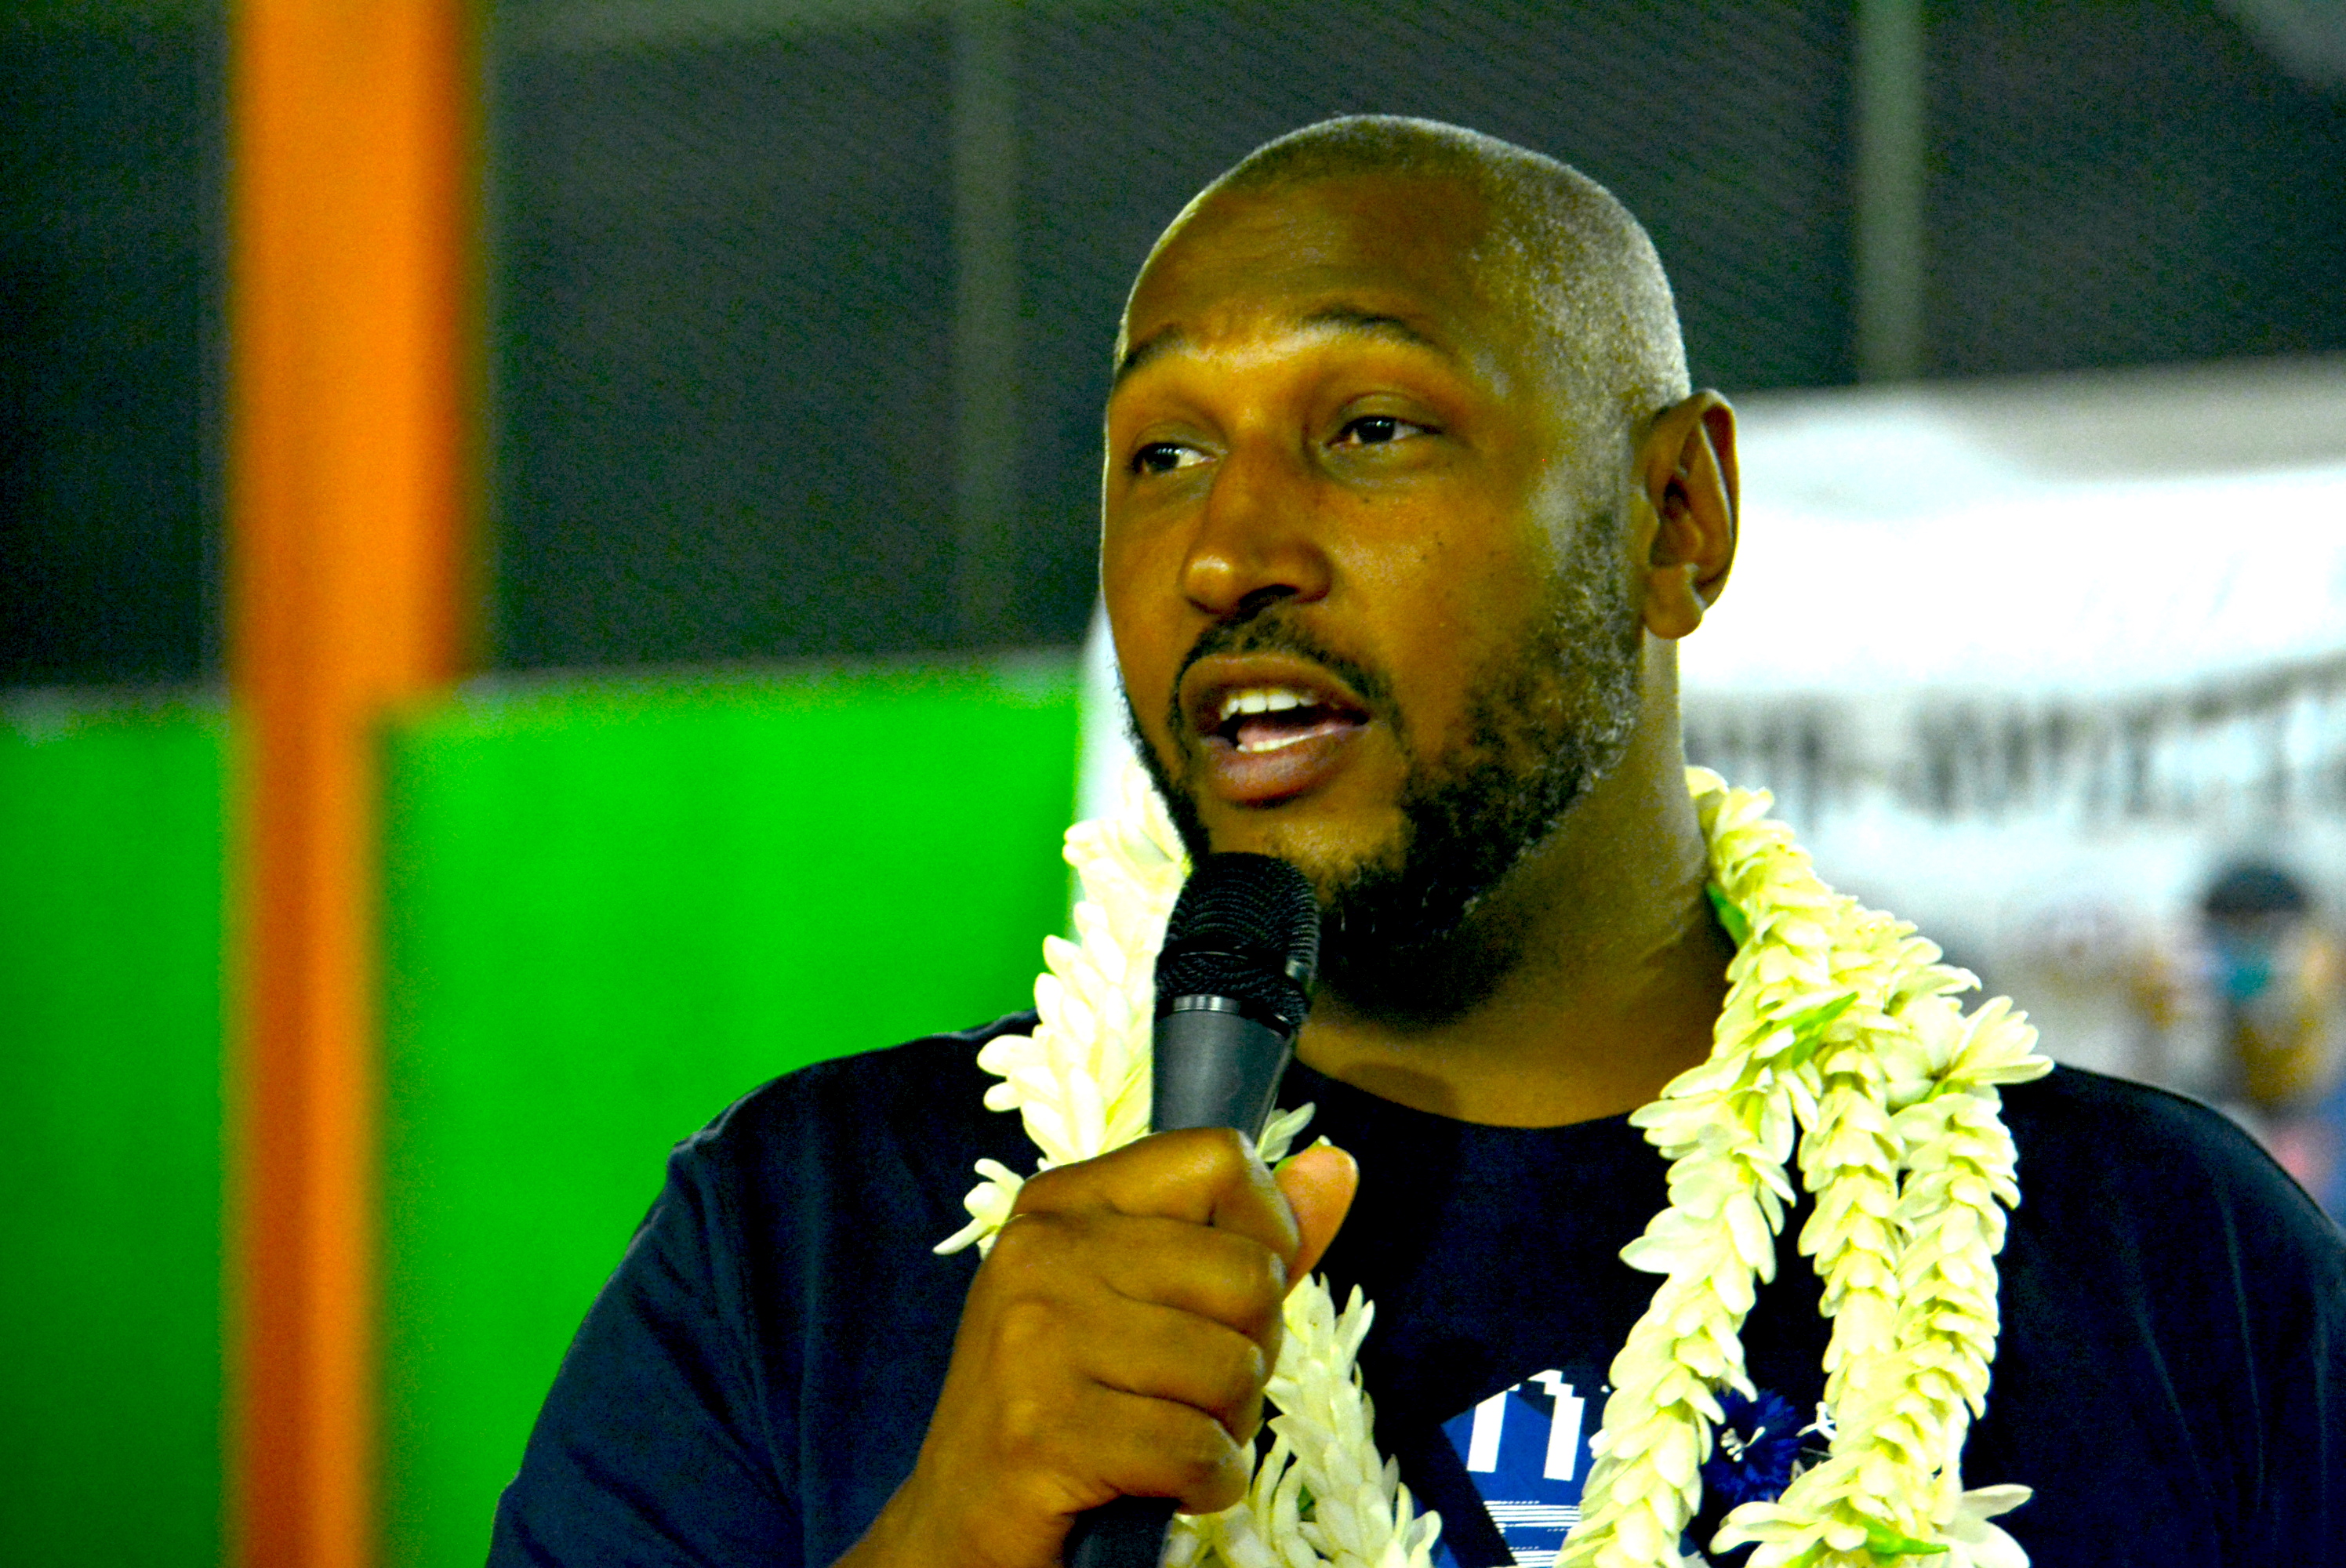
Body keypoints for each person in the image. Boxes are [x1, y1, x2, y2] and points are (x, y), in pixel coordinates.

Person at [488, 118, 2346, 1568]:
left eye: (1368, 427)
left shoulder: (2162, 1269)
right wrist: (954, 1531)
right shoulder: (806, 1247)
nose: (1229, 552)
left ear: (1674, 517)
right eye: (1160, 454)